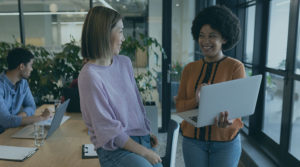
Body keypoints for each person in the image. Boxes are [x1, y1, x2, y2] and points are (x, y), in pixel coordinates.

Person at [78, 6, 162, 167]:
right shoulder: (89, 75)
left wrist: (144, 131)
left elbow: (135, 105)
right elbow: (108, 129)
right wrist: (144, 152)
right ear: (104, 33)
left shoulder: (124, 63)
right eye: (121, 31)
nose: (124, 38)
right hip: (114, 149)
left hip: (138, 139)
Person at [175, 5, 245, 167]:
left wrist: (230, 120)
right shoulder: (189, 69)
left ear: (224, 38)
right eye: (201, 36)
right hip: (193, 142)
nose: (205, 41)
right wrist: (196, 99)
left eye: (212, 36)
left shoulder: (235, 67)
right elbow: (179, 107)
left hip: (225, 143)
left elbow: (239, 112)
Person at [0, 48, 50, 134]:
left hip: (12, 131)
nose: (32, 69)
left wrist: (20, 116)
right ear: (21, 66)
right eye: (30, 65)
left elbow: (31, 106)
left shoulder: (23, 83)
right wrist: (41, 118)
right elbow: (6, 121)